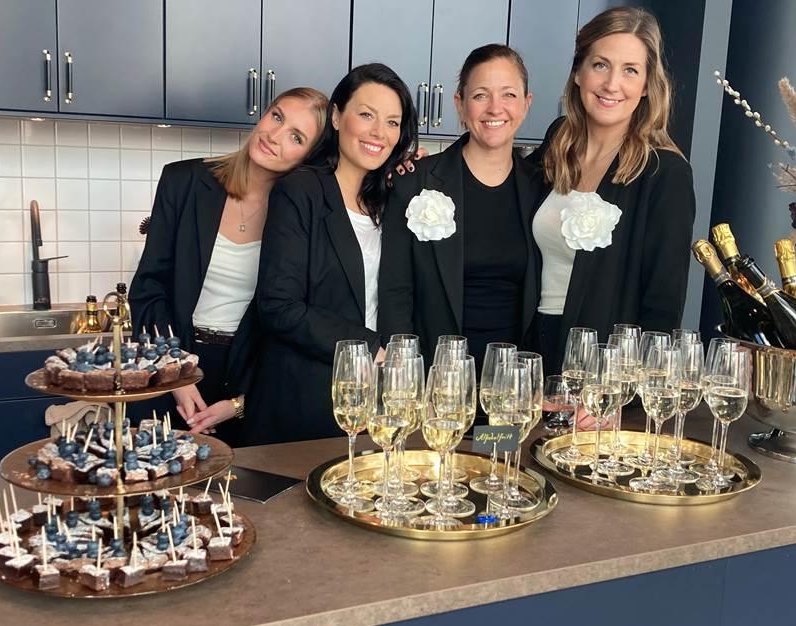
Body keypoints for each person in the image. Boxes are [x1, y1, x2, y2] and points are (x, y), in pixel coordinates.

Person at [128, 87, 328, 441]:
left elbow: (294, 321)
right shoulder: (183, 181)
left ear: (309, 156)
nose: (274, 135)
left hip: (249, 381)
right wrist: (174, 371)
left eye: (296, 137)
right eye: (277, 116)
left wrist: (240, 403)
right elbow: (148, 289)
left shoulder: (302, 216)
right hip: (169, 363)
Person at [243, 63, 418, 446]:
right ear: (337, 117)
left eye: (392, 122)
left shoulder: (395, 202)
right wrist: (370, 347)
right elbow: (278, 306)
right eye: (366, 115)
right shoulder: (300, 191)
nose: (379, 132)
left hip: (379, 404)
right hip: (304, 402)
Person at [528, 6, 696, 371]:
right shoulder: (559, 142)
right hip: (533, 350)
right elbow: (499, 183)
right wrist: (424, 169)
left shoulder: (664, 173)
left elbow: (663, 305)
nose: (611, 84)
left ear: (647, 85)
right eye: (601, 65)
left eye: (630, 70)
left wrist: (629, 389)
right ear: (578, 72)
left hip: (605, 367)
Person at [379, 44, 543, 363]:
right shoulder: (415, 181)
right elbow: (395, 292)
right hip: (436, 375)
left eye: (509, 95)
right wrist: (404, 371)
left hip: (516, 379)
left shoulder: (543, 187)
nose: (495, 108)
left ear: (526, 104)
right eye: (481, 95)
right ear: (460, 104)